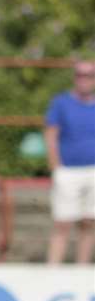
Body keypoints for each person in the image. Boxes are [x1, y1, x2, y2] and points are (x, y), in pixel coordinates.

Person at [44, 59, 95, 264]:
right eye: (80, 75)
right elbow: (51, 134)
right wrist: (56, 165)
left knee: (89, 223)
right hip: (68, 171)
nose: (84, 79)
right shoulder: (61, 103)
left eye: (89, 75)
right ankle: (53, 270)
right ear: (75, 77)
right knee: (62, 223)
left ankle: (82, 270)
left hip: (93, 171)